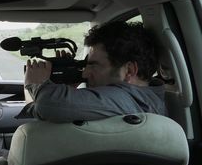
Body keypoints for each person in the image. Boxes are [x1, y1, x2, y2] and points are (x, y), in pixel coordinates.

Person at [20, 21, 166, 122]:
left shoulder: (128, 100)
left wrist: (35, 84)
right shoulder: (144, 100)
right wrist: (69, 88)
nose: (84, 73)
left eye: (94, 65)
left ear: (129, 70)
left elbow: (48, 105)